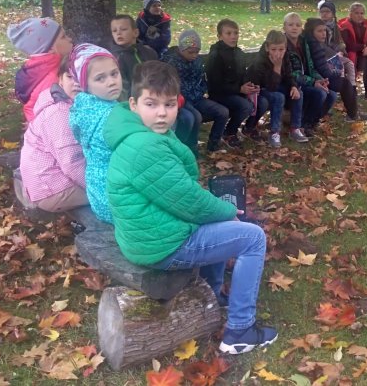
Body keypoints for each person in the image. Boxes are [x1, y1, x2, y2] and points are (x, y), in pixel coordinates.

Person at [104, 61, 277, 354]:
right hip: (160, 244)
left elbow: (179, 194)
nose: (162, 113)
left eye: (169, 104)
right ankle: (240, 331)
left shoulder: (143, 134)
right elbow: (189, 201)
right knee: (252, 238)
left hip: (152, 232)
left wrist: (219, 213)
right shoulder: (144, 147)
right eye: (151, 104)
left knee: (221, 223)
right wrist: (226, 211)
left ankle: (210, 296)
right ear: (133, 104)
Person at [18, 61, 88, 212]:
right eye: (70, 77)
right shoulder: (59, 113)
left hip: (47, 181)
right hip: (52, 189)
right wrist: (99, 187)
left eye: (81, 76)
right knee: (120, 196)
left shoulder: (65, 100)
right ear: (60, 79)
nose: (76, 83)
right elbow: (72, 163)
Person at [68, 43, 123, 223]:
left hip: (98, 197)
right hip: (120, 200)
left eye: (114, 74)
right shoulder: (114, 115)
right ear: (86, 85)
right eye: (100, 78)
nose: (111, 82)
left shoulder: (80, 108)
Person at [161, 30, 225, 156]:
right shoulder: (170, 63)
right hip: (182, 99)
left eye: (197, 52)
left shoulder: (198, 61)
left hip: (197, 97)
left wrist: (201, 90)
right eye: (190, 52)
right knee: (196, 117)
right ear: (181, 49)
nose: (194, 55)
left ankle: (213, 143)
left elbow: (202, 79)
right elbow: (169, 86)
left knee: (222, 112)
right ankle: (191, 147)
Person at [245, 30, 309, 147]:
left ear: (285, 48)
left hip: (276, 86)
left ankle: (295, 128)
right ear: (267, 48)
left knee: (298, 93)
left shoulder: (285, 57)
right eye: (274, 49)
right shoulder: (261, 61)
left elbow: (289, 75)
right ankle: (275, 132)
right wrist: (277, 67)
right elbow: (270, 87)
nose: (277, 53)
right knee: (278, 97)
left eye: (281, 49)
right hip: (261, 90)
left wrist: (293, 86)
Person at [205, 19, 259, 150]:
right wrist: (239, 89)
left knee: (261, 101)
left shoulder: (238, 52)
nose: (233, 36)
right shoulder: (215, 55)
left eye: (236, 33)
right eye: (228, 33)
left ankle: (247, 128)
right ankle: (229, 132)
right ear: (220, 36)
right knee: (245, 106)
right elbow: (216, 84)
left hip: (236, 92)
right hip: (219, 95)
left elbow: (242, 75)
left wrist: (249, 85)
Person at [7, 17, 74, 122]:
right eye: (63, 37)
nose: (70, 39)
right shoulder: (54, 80)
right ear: (50, 48)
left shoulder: (35, 68)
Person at [304, 18, 367, 123]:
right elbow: (322, 69)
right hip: (319, 78)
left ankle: (354, 113)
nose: (323, 34)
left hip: (321, 76)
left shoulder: (316, 43)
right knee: (344, 84)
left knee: (345, 81)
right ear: (311, 32)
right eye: (319, 31)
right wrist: (336, 72)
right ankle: (353, 114)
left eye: (324, 30)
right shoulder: (314, 45)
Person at [283, 12, 335, 137]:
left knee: (331, 94)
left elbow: (310, 66)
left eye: (297, 25)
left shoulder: (303, 42)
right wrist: (313, 82)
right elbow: (291, 73)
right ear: (284, 27)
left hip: (305, 80)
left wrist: (319, 79)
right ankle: (303, 124)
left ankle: (312, 121)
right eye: (290, 25)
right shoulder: (283, 44)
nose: (294, 28)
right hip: (291, 84)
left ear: (301, 28)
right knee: (319, 93)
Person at [110, 14, 158, 101]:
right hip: (132, 102)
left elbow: (160, 76)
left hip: (156, 96)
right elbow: (122, 90)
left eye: (123, 29)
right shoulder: (114, 59)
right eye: (114, 31)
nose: (118, 33)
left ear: (135, 33)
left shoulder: (149, 52)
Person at [338, 3, 367, 100]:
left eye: (362, 13)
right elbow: (348, 45)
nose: (360, 15)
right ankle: (351, 89)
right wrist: (364, 47)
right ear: (350, 14)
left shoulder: (366, 25)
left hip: (362, 52)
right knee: (358, 60)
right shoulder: (344, 26)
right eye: (356, 13)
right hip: (349, 53)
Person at [318, 0, 355, 87]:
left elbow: (340, 41)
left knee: (350, 64)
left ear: (333, 14)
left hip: (336, 53)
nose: (324, 14)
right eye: (322, 12)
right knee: (339, 64)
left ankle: (352, 87)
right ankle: (340, 86)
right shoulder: (318, 27)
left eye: (327, 11)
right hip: (324, 56)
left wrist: (341, 50)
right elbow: (320, 45)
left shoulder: (335, 27)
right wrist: (335, 54)